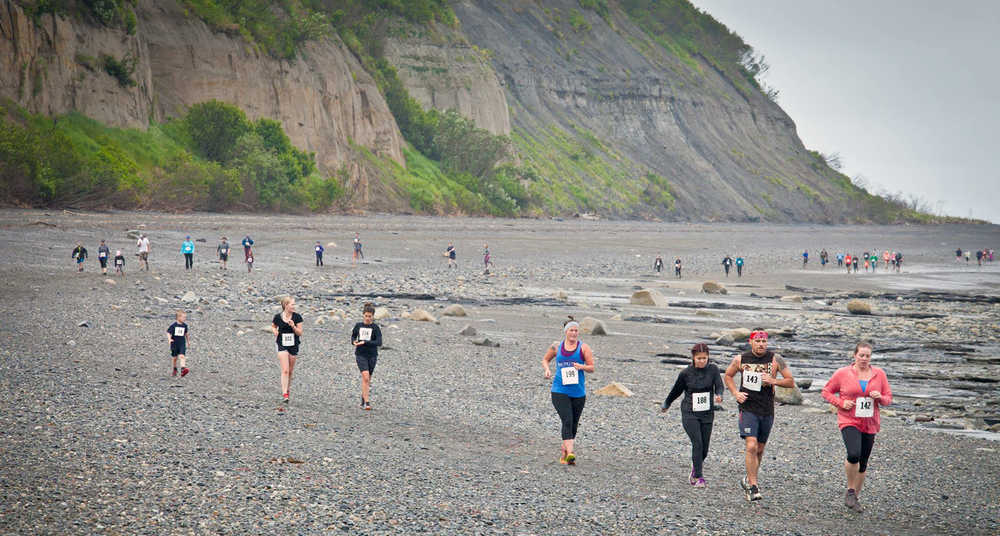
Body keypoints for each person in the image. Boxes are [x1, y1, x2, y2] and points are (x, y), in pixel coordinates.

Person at [723, 329, 795, 502]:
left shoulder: (775, 359)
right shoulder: (741, 359)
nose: (761, 344)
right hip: (748, 407)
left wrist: (773, 381)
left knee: (760, 449)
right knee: (751, 446)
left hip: (767, 409)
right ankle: (753, 486)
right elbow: (728, 375)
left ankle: (749, 478)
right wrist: (735, 393)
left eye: (764, 341)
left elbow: (790, 381)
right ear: (751, 342)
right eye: (758, 341)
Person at [821, 341, 893, 512]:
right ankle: (850, 490)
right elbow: (826, 391)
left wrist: (880, 397)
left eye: (867, 356)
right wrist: (840, 402)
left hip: (870, 422)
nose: (864, 358)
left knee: (863, 463)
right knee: (853, 454)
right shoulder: (842, 373)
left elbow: (888, 398)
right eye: (861, 355)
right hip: (849, 420)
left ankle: (855, 498)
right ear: (854, 355)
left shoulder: (879, 374)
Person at [661, 343, 724, 487]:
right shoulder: (685, 373)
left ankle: (695, 468)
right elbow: (676, 391)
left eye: (704, 358)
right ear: (693, 358)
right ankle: (699, 477)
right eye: (699, 358)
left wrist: (719, 394)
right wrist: (667, 403)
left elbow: (719, 385)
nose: (702, 361)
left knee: (705, 449)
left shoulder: (713, 369)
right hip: (690, 411)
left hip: (707, 412)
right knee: (697, 443)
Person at [542, 317, 595, 465]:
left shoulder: (584, 348)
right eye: (571, 330)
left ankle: (565, 452)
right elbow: (545, 359)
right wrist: (547, 370)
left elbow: (592, 367)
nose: (574, 333)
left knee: (573, 424)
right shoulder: (556, 346)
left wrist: (581, 367)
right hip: (559, 390)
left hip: (578, 392)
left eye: (576, 330)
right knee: (567, 420)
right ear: (566, 332)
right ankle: (571, 453)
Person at [351, 303, 383, 410]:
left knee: (368, 379)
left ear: (373, 316)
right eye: (366, 316)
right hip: (360, 354)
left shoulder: (375, 328)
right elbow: (353, 337)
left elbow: (379, 342)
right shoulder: (358, 326)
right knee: (365, 376)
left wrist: (365, 342)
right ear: (363, 315)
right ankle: (367, 403)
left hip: (372, 355)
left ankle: (363, 398)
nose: (368, 318)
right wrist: (354, 342)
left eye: (370, 316)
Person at [272, 296, 303, 402]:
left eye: (294, 304)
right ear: (286, 305)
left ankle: (287, 390)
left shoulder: (297, 317)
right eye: (292, 304)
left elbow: (300, 333)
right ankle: (284, 393)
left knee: (290, 371)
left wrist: (293, 326)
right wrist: (274, 331)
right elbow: (273, 326)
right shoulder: (277, 317)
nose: (294, 306)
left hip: (293, 345)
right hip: (281, 344)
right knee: (285, 370)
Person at [166, 310, 190, 377]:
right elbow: (168, 332)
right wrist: (169, 339)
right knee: (175, 358)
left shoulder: (185, 326)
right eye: (183, 317)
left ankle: (183, 369)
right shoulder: (174, 325)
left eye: (185, 317)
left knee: (182, 356)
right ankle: (174, 368)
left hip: (182, 343)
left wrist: (188, 342)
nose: (185, 319)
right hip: (174, 343)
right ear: (178, 317)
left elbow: (186, 334)